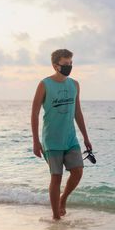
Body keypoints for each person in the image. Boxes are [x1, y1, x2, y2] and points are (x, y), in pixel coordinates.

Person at [31, 48, 92, 220]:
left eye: (71, 63)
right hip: (52, 139)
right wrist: (36, 141)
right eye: (66, 64)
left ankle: (62, 199)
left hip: (70, 138)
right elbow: (34, 113)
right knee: (56, 177)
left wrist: (86, 137)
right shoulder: (44, 84)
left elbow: (77, 112)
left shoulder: (74, 84)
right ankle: (56, 218)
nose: (69, 66)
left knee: (78, 171)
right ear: (55, 65)